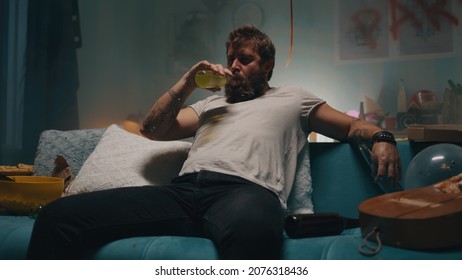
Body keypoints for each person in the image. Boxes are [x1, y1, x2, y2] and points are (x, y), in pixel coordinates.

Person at [26, 25, 401, 260]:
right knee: (59, 217)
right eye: (231, 59)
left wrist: (383, 137)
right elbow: (152, 129)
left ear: (267, 66)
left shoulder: (294, 98)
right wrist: (188, 81)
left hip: (248, 194)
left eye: (246, 59)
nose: (234, 66)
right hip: (184, 192)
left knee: (255, 235)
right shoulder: (211, 103)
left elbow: (352, 128)